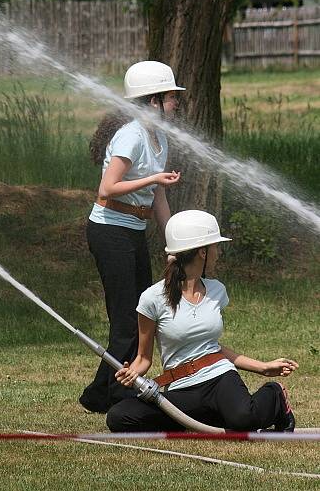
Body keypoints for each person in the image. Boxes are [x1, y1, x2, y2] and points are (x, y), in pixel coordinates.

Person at [107, 210, 298, 432]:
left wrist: (263, 368)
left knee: (243, 421)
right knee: (119, 417)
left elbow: (213, 349)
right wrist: (133, 373)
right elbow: (143, 358)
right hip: (182, 388)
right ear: (202, 252)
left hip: (220, 378)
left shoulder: (217, 290)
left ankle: (275, 395)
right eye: (215, 247)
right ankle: (206, 418)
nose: (218, 252)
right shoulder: (152, 298)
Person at [79, 61, 184, 414]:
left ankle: (99, 391)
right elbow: (108, 187)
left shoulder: (160, 138)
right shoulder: (131, 135)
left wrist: (174, 246)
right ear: (152, 100)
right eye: (171, 97)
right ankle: (115, 393)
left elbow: (159, 199)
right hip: (109, 230)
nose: (175, 103)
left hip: (133, 231)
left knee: (142, 313)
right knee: (125, 318)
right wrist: (152, 180)